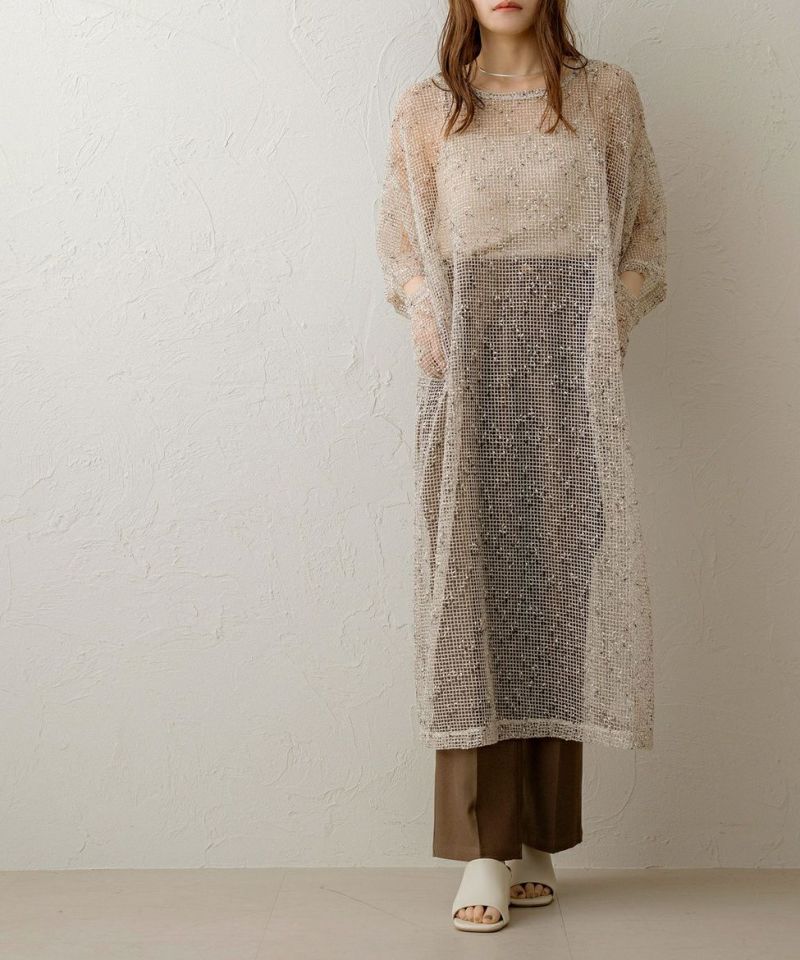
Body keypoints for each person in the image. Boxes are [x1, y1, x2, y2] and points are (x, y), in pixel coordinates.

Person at [375, 0, 667, 933]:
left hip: (571, 371)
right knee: (473, 591)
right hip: (469, 366)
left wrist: (609, 321)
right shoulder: (429, 107)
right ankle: (482, 847)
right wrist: (426, 313)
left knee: (556, 596)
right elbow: (399, 241)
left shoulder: (605, 96)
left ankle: (537, 834)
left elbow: (645, 238)